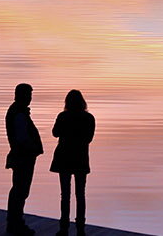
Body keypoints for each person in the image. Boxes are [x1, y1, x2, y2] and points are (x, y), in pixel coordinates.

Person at [50, 89, 95, 234]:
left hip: (64, 157)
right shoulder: (89, 118)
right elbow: (89, 139)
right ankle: (80, 227)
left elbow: (55, 133)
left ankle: (64, 227)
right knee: (80, 194)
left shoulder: (63, 116)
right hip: (80, 158)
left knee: (65, 194)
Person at [5, 83, 44, 235]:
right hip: (23, 157)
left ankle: (15, 222)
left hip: (21, 156)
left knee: (18, 190)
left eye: (30, 95)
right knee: (20, 191)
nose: (30, 98)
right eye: (28, 95)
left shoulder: (17, 111)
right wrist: (33, 149)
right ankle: (16, 224)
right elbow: (22, 138)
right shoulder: (19, 113)